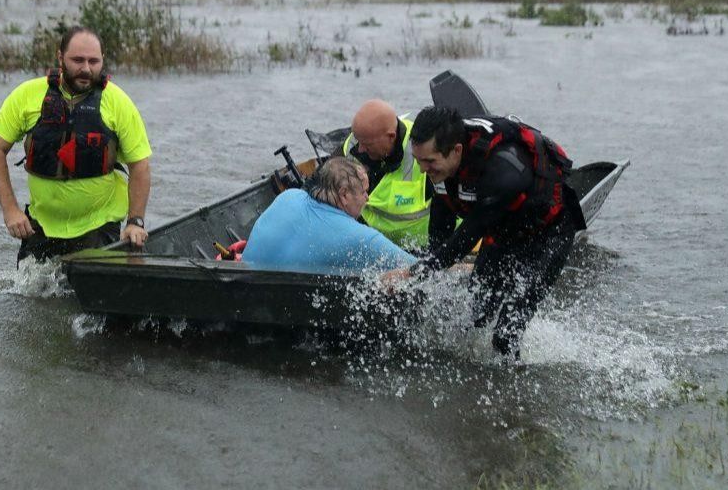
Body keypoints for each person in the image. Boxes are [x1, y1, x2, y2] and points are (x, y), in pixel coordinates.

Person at [384, 106, 586, 359]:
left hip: (549, 232)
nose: (423, 170)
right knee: (476, 314)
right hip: (504, 229)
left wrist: (412, 273)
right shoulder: (441, 165)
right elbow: (442, 222)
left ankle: (514, 391)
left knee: (506, 333)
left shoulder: (503, 171)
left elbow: (469, 235)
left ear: (457, 150)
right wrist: (429, 277)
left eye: (429, 162)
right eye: (418, 160)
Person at [0, 26, 152, 263]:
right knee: (31, 299)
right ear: (60, 57)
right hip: (40, 226)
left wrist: (135, 222)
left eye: (94, 61)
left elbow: (140, 164)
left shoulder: (118, 103)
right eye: (77, 60)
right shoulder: (27, 96)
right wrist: (10, 210)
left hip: (99, 225)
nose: (86, 68)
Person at [242, 157, 417, 274]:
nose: (367, 198)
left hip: (240, 293)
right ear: (344, 195)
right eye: (364, 191)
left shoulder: (288, 196)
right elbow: (421, 270)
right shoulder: (361, 237)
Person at [341, 99, 432, 248]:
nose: (360, 149)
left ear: (391, 137)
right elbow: (322, 184)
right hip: (369, 243)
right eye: (359, 141)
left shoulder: (425, 154)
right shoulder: (355, 145)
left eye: (367, 144)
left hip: (423, 246)